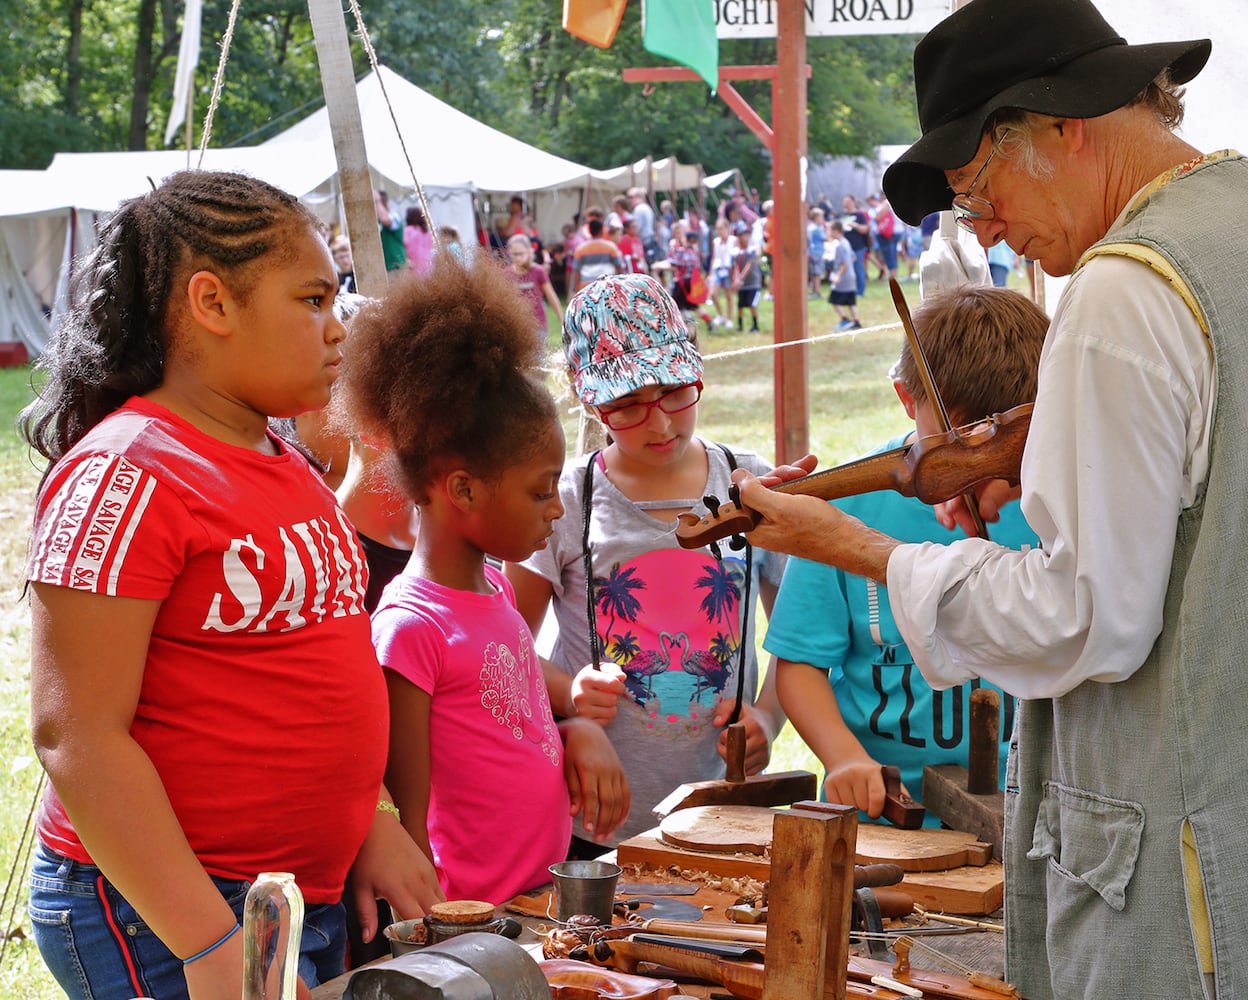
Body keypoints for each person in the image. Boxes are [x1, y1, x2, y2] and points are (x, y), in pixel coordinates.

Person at [732, 0, 1248, 997]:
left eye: (977, 184)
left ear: (1062, 123)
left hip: (1200, 892)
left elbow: (1087, 617)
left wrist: (868, 550)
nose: (985, 226)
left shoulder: (1124, 289)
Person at [21, 170, 442, 1000]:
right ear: (213, 304)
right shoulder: (124, 473)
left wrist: (366, 825)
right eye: (315, 300)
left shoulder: (280, 461)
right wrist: (209, 943)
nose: (340, 329)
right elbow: (77, 738)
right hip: (165, 916)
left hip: (286, 900)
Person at [333, 261, 628, 906]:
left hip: (533, 903)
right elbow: (407, 820)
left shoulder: (494, 587)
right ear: (463, 489)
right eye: (540, 490)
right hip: (464, 924)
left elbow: (513, 720)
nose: (556, 508)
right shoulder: (412, 628)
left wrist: (573, 727)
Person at [504, 273, 787, 855]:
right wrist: (569, 692)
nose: (659, 423)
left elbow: (797, 639)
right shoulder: (566, 500)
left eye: (674, 393)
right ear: (592, 402)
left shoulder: (747, 483)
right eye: (629, 406)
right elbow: (505, 649)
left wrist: (767, 714)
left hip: (725, 810)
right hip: (598, 818)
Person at [765, 285, 1046, 826]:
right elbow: (798, 664)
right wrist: (844, 756)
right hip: (891, 816)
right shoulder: (847, 509)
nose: (980, 464)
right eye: (961, 439)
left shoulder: (1056, 501)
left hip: (1033, 814)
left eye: (1006, 442)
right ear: (907, 400)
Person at [505, 232, 563, 342]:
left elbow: (551, 296)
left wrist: (561, 319)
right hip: (516, 324)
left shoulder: (538, 271)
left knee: (537, 357)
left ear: (529, 251)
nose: (518, 257)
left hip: (538, 323)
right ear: (509, 253)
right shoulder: (507, 273)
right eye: (514, 254)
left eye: (521, 253)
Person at [570, 217, 625, 296]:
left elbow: (577, 270)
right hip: (607, 284)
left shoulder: (580, 249)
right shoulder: (611, 247)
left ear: (589, 231)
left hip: (587, 286)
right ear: (602, 230)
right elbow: (619, 267)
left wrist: (576, 290)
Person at [824, 220, 859, 331]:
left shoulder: (840, 245)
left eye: (830, 230)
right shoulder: (846, 242)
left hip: (844, 277)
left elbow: (844, 263)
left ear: (836, 231)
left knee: (834, 299)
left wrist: (838, 276)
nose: (829, 232)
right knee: (850, 301)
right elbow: (853, 257)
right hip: (851, 275)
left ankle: (845, 319)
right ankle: (856, 321)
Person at [838, 194, 872, 297]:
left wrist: (854, 225)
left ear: (853, 202)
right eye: (844, 202)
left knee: (858, 269)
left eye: (848, 202)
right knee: (847, 270)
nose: (846, 204)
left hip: (858, 247)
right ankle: (848, 291)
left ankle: (860, 291)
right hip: (845, 248)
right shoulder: (841, 215)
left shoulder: (859, 215)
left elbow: (865, 229)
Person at [731, 228, 762, 333]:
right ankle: (740, 325)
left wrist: (740, 278)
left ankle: (755, 325)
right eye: (744, 236)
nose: (746, 238)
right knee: (740, 305)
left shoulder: (751, 250)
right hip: (742, 285)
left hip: (753, 283)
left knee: (752, 304)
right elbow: (735, 266)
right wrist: (735, 279)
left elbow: (749, 265)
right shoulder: (736, 252)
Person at [707, 218, 736, 328]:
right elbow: (714, 257)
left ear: (727, 228)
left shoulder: (733, 240)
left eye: (721, 228)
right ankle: (720, 315)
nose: (719, 231)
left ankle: (729, 318)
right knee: (713, 293)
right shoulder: (716, 241)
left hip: (728, 268)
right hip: (718, 268)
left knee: (728, 295)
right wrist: (710, 273)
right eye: (717, 229)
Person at [374, 189, 408, 273]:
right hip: (383, 268)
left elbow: (386, 220)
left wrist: (377, 201)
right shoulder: (376, 221)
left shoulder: (394, 216)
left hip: (396, 266)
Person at [403, 205, 433, 276]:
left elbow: (404, 244)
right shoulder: (426, 232)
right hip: (427, 265)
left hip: (413, 265)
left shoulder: (408, 230)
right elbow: (430, 246)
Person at [806, 206, 828, 297]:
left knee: (814, 273)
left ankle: (814, 290)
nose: (822, 219)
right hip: (817, 253)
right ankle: (816, 291)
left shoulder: (810, 227)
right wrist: (828, 229)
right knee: (817, 274)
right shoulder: (817, 229)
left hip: (811, 252)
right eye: (821, 217)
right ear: (816, 217)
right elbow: (825, 238)